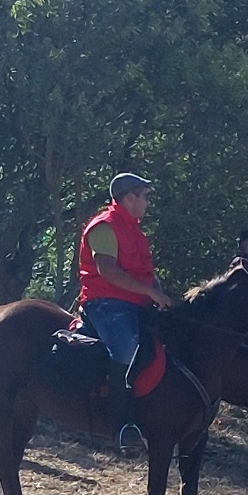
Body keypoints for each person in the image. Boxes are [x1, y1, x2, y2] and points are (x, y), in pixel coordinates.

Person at [77, 172, 171, 452]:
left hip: (136, 303)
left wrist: (162, 297)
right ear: (130, 197)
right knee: (126, 349)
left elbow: (147, 274)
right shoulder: (104, 227)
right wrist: (149, 293)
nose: (148, 203)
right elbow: (107, 270)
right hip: (105, 303)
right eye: (145, 197)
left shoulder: (136, 233)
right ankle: (119, 424)